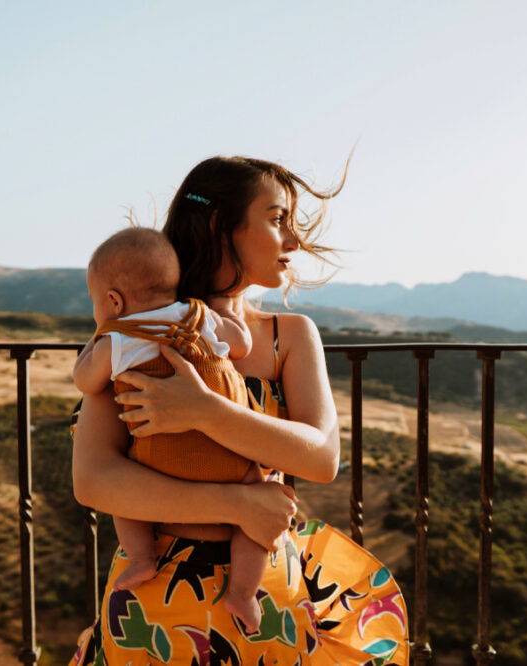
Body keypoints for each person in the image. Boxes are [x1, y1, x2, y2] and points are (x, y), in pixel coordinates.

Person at [70, 156, 409, 665]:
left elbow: (321, 459)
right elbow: (94, 480)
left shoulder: (289, 337)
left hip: (266, 605)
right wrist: (237, 506)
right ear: (218, 225)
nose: (292, 241)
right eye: (276, 220)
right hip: (156, 607)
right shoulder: (145, 328)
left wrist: (205, 411)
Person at [72, 226, 268, 630]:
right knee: (256, 511)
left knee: (124, 500)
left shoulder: (120, 338)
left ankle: (143, 559)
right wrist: (228, 314)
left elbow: (87, 382)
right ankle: (244, 594)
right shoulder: (199, 316)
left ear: (113, 300)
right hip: (230, 458)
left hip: (158, 466)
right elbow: (242, 345)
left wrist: (94, 342)